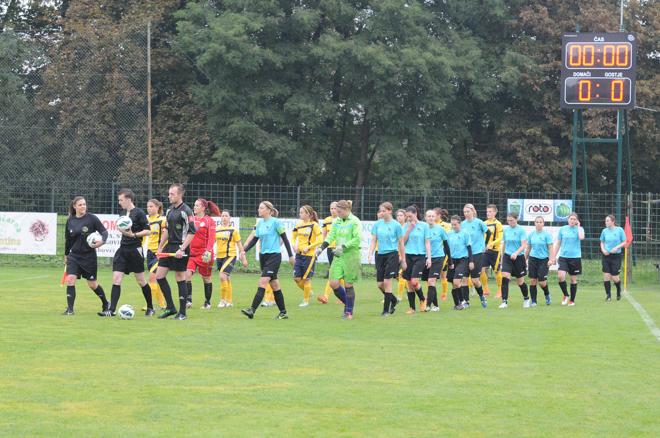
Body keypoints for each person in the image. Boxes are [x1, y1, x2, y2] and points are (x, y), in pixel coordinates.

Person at [98, 189, 152, 317]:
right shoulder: (122, 213)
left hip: (135, 250)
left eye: (121, 200)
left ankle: (150, 307)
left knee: (141, 281)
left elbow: (148, 231)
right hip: (122, 249)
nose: (119, 202)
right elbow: (122, 229)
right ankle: (112, 310)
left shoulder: (139, 213)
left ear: (128, 199)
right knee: (116, 279)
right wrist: (121, 230)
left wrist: (134, 235)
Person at [241, 201, 295, 319]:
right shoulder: (259, 223)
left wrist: (291, 256)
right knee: (275, 285)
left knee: (262, 282)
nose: (258, 210)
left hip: (274, 256)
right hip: (263, 257)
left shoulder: (276, 222)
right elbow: (255, 240)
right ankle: (283, 313)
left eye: (261, 208)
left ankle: (252, 310)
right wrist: (244, 250)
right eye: (259, 208)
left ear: (269, 210)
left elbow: (285, 239)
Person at [62, 196, 109, 315]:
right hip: (74, 256)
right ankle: (70, 310)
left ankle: (105, 303)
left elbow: (104, 232)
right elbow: (68, 240)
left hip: (89, 257)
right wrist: (66, 255)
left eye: (84, 204)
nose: (83, 206)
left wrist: (102, 241)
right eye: (80, 205)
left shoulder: (91, 218)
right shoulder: (70, 220)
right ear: (74, 206)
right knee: (70, 279)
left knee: (92, 284)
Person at [155, 184, 196, 320]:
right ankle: (171, 307)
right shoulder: (169, 210)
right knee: (159, 276)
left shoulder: (187, 211)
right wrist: (160, 247)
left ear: (180, 195)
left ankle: (182, 313)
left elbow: (192, 232)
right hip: (169, 247)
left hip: (180, 248)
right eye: (169, 193)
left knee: (180, 277)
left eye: (172, 194)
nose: (169, 196)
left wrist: (182, 249)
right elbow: (166, 230)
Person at [316, 200, 362, 319]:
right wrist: (321, 248)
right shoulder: (336, 221)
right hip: (338, 256)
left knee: (348, 284)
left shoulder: (355, 221)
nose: (337, 214)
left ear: (346, 210)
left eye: (339, 211)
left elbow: (357, 239)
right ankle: (348, 304)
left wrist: (343, 246)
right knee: (333, 283)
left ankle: (348, 311)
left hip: (351, 256)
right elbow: (331, 236)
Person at [368, 202, 405, 316]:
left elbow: (401, 243)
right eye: (381, 211)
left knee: (387, 282)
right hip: (380, 255)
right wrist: (370, 254)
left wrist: (403, 259)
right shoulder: (377, 224)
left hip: (392, 255)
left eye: (384, 211)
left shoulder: (396, 225)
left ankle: (385, 311)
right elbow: (373, 240)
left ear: (390, 211)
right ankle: (393, 299)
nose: (382, 213)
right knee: (380, 284)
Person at [185, 198, 221, 310]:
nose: (194, 207)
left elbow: (212, 237)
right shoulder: (191, 219)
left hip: (204, 254)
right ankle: (188, 300)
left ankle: (207, 302)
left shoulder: (209, 221)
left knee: (206, 278)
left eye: (197, 205)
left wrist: (208, 251)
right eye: (194, 205)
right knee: (187, 275)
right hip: (192, 254)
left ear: (203, 208)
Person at [551, 212, 585, 306]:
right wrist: (553, 256)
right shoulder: (563, 229)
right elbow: (558, 244)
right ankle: (566, 295)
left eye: (574, 219)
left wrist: (579, 226)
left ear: (577, 221)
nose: (572, 221)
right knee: (560, 276)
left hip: (575, 258)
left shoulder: (580, 229)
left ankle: (572, 300)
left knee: (573, 280)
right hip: (563, 257)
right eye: (571, 219)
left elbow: (581, 237)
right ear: (568, 219)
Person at [401, 205, 431, 314]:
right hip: (408, 256)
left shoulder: (424, 226)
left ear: (416, 214)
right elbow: (402, 242)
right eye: (407, 217)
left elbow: (427, 243)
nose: (409, 218)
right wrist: (409, 229)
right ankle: (412, 308)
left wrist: (429, 258)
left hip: (420, 256)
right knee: (409, 283)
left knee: (414, 282)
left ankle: (422, 299)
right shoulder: (405, 226)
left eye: (410, 216)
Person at [292, 205, 323, 307]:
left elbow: (320, 240)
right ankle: (308, 291)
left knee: (306, 279)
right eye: (300, 212)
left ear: (308, 214)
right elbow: (293, 236)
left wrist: (309, 247)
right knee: (296, 278)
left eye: (301, 212)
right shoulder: (298, 224)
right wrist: (294, 245)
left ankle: (305, 301)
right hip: (299, 255)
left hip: (309, 255)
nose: (299, 214)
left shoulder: (314, 225)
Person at [216, 210, 247, 308]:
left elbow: (239, 244)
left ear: (230, 218)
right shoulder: (217, 229)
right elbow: (212, 241)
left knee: (222, 276)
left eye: (226, 216)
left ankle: (223, 300)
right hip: (219, 256)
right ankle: (229, 301)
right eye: (222, 216)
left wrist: (243, 257)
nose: (224, 218)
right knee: (226, 278)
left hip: (230, 255)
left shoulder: (233, 230)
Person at [461, 204, 490, 307]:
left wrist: (485, 245)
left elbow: (488, 233)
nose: (466, 213)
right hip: (465, 254)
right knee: (464, 278)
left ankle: (482, 296)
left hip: (477, 253)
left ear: (473, 212)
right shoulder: (462, 224)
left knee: (475, 280)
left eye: (468, 211)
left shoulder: (479, 222)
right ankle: (466, 301)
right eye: (464, 212)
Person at [499, 212, 529, 309]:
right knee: (505, 277)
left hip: (518, 258)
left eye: (511, 220)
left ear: (516, 219)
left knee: (520, 282)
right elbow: (504, 244)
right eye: (508, 220)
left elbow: (524, 245)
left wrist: (516, 253)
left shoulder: (521, 230)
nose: (510, 222)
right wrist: (502, 257)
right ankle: (504, 301)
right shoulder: (506, 230)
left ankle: (526, 299)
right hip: (507, 257)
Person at [423, 209, 450, 312]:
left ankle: (427, 305)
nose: (431, 218)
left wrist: (450, 260)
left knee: (432, 280)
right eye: (429, 216)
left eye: (432, 216)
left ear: (435, 218)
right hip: (426, 258)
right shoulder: (423, 229)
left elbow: (446, 245)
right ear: (425, 218)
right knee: (430, 283)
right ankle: (436, 306)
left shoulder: (440, 229)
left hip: (438, 257)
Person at [525, 216, 554, 306]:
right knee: (533, 280)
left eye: (540, 222)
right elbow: (528, 248)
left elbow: (550, 248)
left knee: (542, 282)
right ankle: (534, 301)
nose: (538, 224)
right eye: (537, 222)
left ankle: (547, 294)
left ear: (543, 223)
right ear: (534, 223)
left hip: (544, 260)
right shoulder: (531, 234)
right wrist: (524, 259)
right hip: (533, 259)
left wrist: (551, 259)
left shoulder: (547, 235)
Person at [446, 215, 471, 310]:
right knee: (453, 284)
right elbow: (447, 249)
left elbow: (469, 248)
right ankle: (457, 304)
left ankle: (463, 301)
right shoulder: (449, 234)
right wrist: (448, 261)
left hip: (463, 260)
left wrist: (471, 261)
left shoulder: (465, 234)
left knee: (456, 282)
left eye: (455, 224)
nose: (453, 226)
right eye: (452, 225)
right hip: (452, 260)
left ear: (459, 224)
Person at [145, 199, 167, 309]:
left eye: (151, 206)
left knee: (152, 278)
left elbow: (167, 236)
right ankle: (162, 305)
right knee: (156, 279)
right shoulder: (146, 220)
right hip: (150, 253)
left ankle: (148, 305)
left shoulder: (162, 220)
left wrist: (161, 249)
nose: (149, 208)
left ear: (158, 207)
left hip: (159, 254)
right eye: (148, 206)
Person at [600, 215, 626, 301]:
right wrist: (603, 250)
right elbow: (602, 242)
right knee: (606, 276)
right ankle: (608, 296)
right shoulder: (604, 231)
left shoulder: (619, 230)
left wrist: (616, 247)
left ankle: (618, 290)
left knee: (615, 277)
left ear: (613, 221)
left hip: (616, 257)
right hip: (606, 256)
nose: (606, 222)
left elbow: (624, 242)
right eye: (605, 221)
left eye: (608, 221)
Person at [319, 201, 340, 304]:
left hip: (340, 249)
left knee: (335, 272)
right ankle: (333, 296)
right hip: (330, 248)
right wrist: (322, 247)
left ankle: (327, 296)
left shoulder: (342, 220)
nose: (333, 210)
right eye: (331, 208)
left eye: (335, 208)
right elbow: (324, 235)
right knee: (335, 272)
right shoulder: (327, 220)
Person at [483, 204, 504, 298]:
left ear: (495, 212)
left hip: (495, 251)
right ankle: (486, 289)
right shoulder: (484, 223)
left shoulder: (498, 224)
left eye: (490, 211)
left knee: (497, 271)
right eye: (487, 211)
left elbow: (500, 238)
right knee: (481, 269)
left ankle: (500, 290)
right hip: (486, 250)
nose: (488, 213)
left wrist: (491, 244)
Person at [433, 207, 452, 301]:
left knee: (442, 274)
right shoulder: (430, 225)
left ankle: (444, 294)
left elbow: (447, 239)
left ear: (439, 215)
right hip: (432, 252)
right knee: (432, 275)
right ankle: (431, 293)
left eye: (434, 215)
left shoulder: (446, 226)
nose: (432, 217)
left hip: (443, 252)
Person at [395, 209, 408, 302]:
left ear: (405, 217)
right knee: (396, 275)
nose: (399, 217)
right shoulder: (395, 226)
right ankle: (409, 289)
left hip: (406, 254)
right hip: (396, 253)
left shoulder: (407, 227)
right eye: (398, 215)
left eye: (401, 215)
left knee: (401, 274)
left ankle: (399, 297)